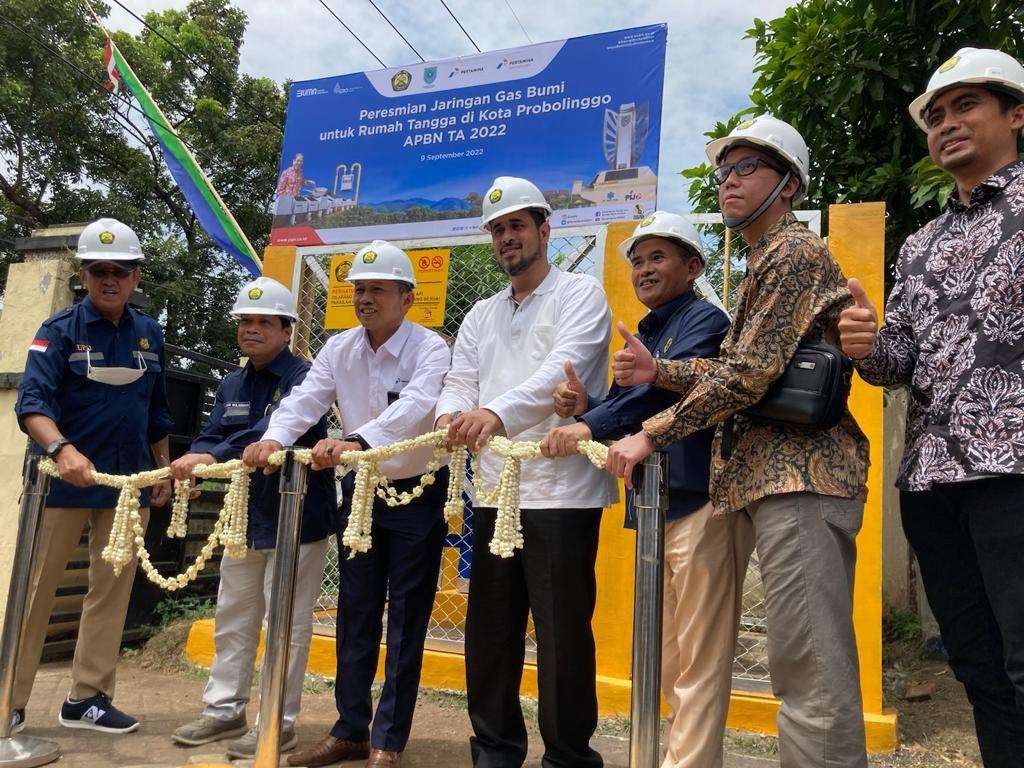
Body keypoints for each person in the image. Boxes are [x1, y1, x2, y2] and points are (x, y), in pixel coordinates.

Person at [606, 116, 871, 767]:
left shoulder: (791, 256)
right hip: (770, 482)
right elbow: (742, 363)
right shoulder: (762, 263)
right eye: (725, 170)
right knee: (797, 663)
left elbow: (746, 377)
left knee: (810, 671)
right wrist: (659, 371)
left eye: (747, 167)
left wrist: (651, 431)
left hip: (804, 478)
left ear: (789, 183)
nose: (729, 181)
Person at [839, 47, 1024, 767]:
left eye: (966, 105)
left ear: (1016, 114)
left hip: (1014, 474)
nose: (947, 123)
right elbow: (897, 364)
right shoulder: (921, 245)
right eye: (936, 115)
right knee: (976, 667)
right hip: (932, 483)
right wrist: (861, 344)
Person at [244, 241, 451, 768]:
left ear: (407, 297)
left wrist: (358, 441)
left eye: (377, 288)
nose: (365, 297)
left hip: (418, 494)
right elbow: (305, 400)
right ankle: (350, 729)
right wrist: (273, 437)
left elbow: (419, 408)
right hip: (359, 496)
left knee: (407, 618)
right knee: (354, 614)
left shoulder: (430, 349)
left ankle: (389, 740)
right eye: (359, 288)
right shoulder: (339, 349)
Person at [540, 211, 734, 768]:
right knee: (670, 660)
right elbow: (634, 413)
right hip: (656, 507)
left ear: (693, 266)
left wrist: (586, 426)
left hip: (700, 502)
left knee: (698, 659)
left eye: (658, 257)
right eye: (638, 260)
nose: (644, 269)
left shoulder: (706, 321)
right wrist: (589, 408)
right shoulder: (648, 329)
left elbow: (658, 398)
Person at [436, 176, 616, 768]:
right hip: (492, 491)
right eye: (497, 229)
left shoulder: (580, 295)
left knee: (562, 633)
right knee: (489, 630)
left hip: (560, 491)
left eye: (517, 225)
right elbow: (460, 378)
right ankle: (494, 749)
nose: (507, 237)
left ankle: (567, 756)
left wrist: (493, 413)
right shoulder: (481, 314)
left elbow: (557, 379)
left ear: (544, 229)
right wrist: (452, 417)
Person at [12, 217, 174, 734]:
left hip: (127, 489)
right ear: (83, 274)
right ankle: (8, 700)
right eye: (99, 270)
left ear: (136, 276)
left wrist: (162, 471)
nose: (110, 279)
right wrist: (62, 449)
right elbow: (31, 403)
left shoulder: (150, 334)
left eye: (121, 271)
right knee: (35, 591)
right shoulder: (58, 331)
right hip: (62, 482)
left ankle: (88, 699)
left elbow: (157, 412)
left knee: (111, 592)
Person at [169, 277, 336, 759]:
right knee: (233, 614)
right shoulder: (232, 383)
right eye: (246, 321)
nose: (253, 329)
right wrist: (195, 456)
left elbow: (272, 428)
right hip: (244, 517)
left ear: (287, 330)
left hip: (296, 514)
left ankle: (276, 721)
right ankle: (224, 710)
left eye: (265, 321)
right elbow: (212, 431)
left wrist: (212, 456)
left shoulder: (306, 377)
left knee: (288, 621)